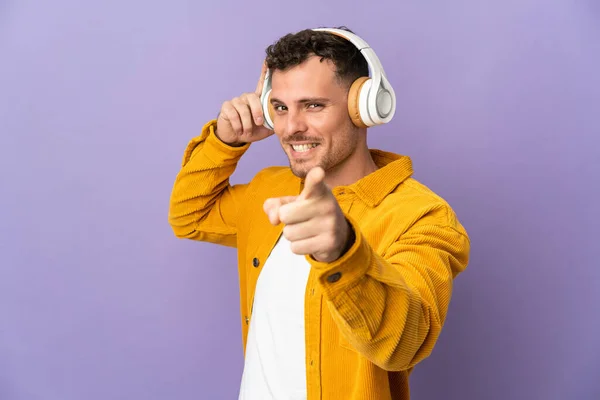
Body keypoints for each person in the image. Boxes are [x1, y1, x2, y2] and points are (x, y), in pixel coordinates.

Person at [168, 26, 470, 400]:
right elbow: (189, 215)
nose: (291, 128)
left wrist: (344, 251)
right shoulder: (269, 188)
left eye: (313, 105)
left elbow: (403, 344)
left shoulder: (422, 215)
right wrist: (224, 140)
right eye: (279, 107)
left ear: (364, 105)